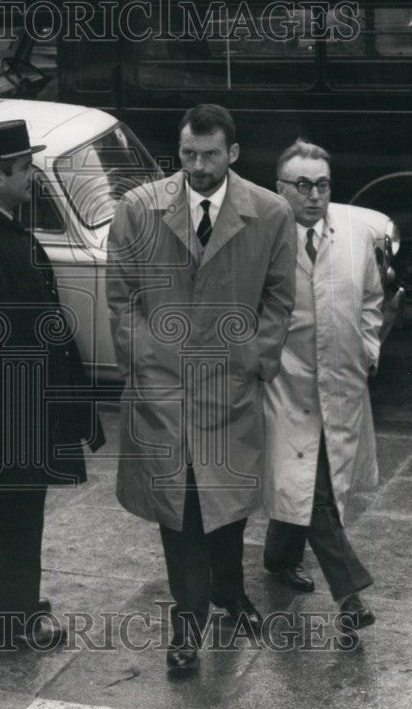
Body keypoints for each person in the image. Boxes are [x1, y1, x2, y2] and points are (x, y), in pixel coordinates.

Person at [107, 104, 296, 675]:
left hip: (230, 387)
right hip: (164, 391)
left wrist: (253, 360)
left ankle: (230, 593)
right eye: (188, 153)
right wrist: (146, 361)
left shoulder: (270, 212)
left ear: (232, 153)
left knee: (226, 502)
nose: (197, 166)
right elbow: (121, 298)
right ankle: (187, 625)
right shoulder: (140, 209)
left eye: (210, 154)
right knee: (182, 510)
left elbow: (280, 298)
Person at [0, 120, 103, 648]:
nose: (33, 175)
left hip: (24, 395)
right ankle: (8, 616)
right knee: (13, 503)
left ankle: (3, 602)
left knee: (18, 503)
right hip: (9, 399)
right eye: (24, 167)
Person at [262, 139, 381, 631]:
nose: (314, 195)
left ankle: (278, 556)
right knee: (313, 489)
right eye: (303, 185)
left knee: (309, 480)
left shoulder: (354, 234)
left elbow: (372, 298)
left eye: (323, 184)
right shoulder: (264, 239)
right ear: (280, 188)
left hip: (341, 383)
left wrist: (369, 349)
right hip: (285, 387)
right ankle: (350, 593)